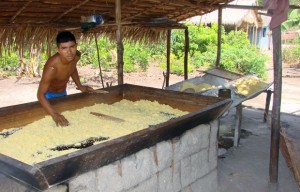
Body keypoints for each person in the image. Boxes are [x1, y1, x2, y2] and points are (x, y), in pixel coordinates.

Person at [37, 31, 93, 127]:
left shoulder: (75, 57)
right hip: (48, 97)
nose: (69, 52)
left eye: (72, 47)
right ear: (58, 49)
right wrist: (54, 114)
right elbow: (40, 95)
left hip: (63, 93)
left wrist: (80, 86)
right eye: (64, 48)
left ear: (76, 46)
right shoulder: (52, 67)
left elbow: (72, 68)